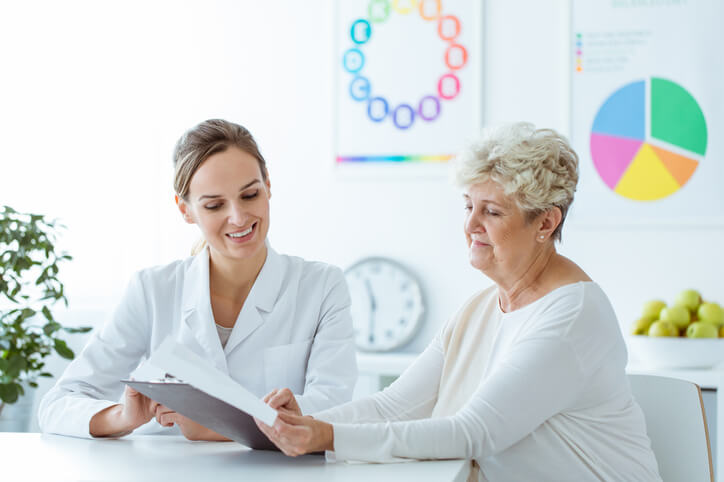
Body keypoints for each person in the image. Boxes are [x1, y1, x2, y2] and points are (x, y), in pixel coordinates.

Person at [254, 123, 662, 481]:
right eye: (469, 206)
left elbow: (473, 432)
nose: (470, 226)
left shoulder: (573, 315)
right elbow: (395, 405)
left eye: (493, 212)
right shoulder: (481, 307)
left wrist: (325, 436)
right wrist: (304, 423)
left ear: (546, 222)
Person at [38, 119, 357, 440]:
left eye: (249, 195)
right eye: (215, 205)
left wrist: (213, 426)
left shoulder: (321, 286)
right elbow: (57, 405)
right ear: (185, 209)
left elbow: (336, 409)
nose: (239, 217)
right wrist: (122, 416)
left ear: (268, 186)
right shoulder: (152, 290)